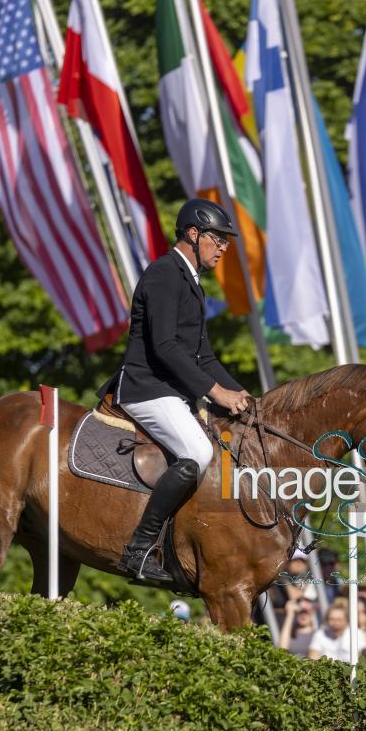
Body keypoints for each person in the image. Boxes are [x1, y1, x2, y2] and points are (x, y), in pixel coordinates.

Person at [98, 198, 251, 583]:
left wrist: (245, 398)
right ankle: (138, 549)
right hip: (145, 389)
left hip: (171, 391)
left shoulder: (191, 283)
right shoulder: (165, 274)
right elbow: (165, 347)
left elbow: (204, 356)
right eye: (218, 239)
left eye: (226, 242)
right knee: (198, 453)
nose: (224, 247)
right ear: (193, 234)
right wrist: (216, 393)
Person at [277, 590, 319, 658]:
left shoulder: (318, 634)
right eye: (300, 612)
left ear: (313, 612)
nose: (303, 615)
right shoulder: (291, 633)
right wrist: (290, 614)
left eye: (306, 612)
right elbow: (281, 650)